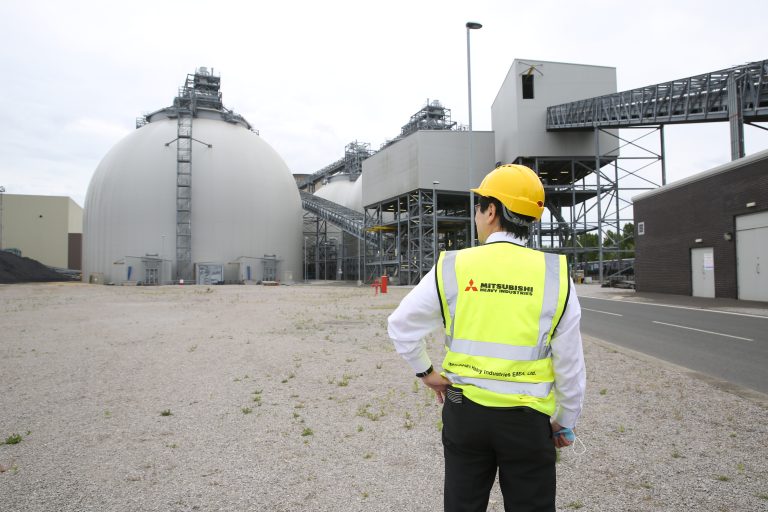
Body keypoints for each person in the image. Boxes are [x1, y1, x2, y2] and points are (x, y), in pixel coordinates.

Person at [387, 164, 585, 512]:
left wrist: (427, 373)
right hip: (528, 420)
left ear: (491, 210)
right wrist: (563, 421)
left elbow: (401, 325)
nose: (477, 216)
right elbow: (570, 364)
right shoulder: (555, 275)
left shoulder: (454, 266)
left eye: (478, 207)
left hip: (466, 413)